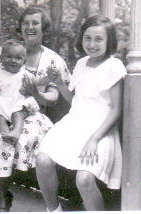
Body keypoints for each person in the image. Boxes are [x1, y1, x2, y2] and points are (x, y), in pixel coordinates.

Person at [0, 5, 71, 212]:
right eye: (25, 23)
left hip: (31, 112)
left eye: (35, 23)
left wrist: (34, 92)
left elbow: (51, 100)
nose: (30, 27)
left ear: (44, 28)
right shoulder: (4, 51)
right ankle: (2, 197)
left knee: (24, 139)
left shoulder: (53, 60)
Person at [36, 15, 127, 212]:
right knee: (42, 160)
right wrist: (59, 83)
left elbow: (117, 109)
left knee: (84, 179)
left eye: (98, 39)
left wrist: (94, 139)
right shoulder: (81, 63)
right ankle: (54, 210)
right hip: (73, 124)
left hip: (101, 130)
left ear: (109, 41)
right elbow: (74, 102)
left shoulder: (114, 66)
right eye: (88, 38)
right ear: (81, 39)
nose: (92, 44)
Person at [0, 39, 56, 144]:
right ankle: (6, 134)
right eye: (9, 57)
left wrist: (49, 78)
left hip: (18, 102)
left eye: (18, 58)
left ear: (24, 62)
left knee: (18, 114)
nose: (13, 60)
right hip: (2, 103)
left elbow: (39, 81)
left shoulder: (24, 74)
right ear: (1, 58)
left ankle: (16, 132)